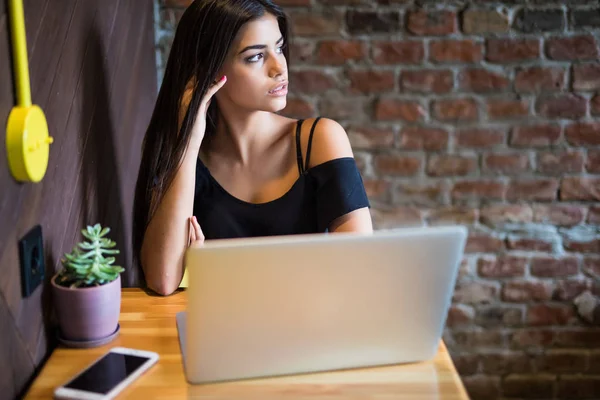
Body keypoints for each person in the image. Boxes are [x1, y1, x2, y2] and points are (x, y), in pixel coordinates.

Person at [133, 0, 373, 296]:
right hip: (222, 334)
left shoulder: (319, 141)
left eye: (280, 47)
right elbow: (163, 279)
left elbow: (359, 270)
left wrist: (212, 273)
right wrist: (188, 143)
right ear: (209, 70)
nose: (279, 67)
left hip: (309, 329)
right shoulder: (186, 156)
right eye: (256, 56)